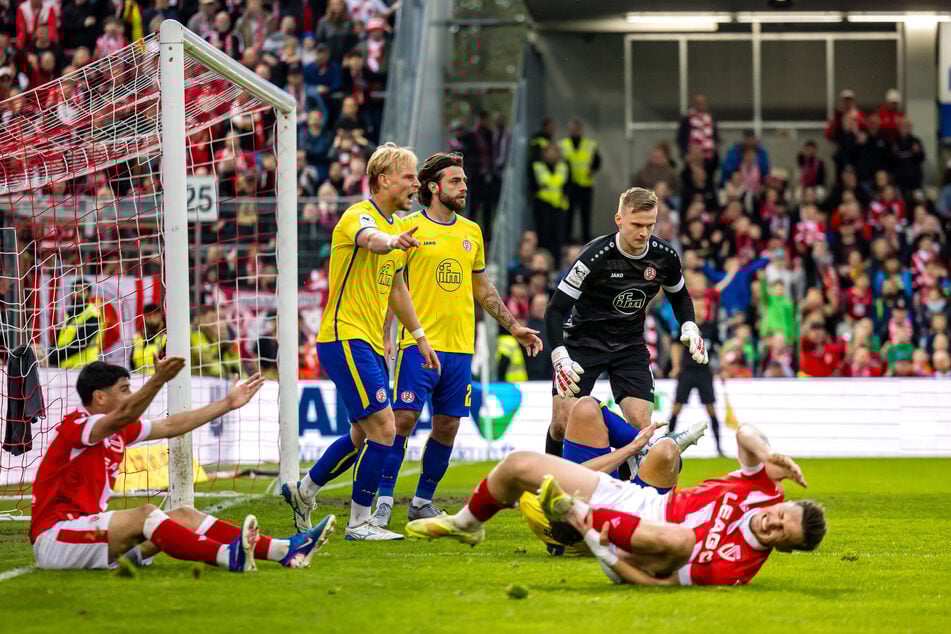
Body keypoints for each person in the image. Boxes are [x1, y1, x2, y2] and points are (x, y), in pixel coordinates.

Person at [406, 410, 825, 587]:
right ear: (781, 502)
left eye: (780, 534)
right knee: (519, 464)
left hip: (633, 550)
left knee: (681, 540)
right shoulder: (763, 491)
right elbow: (745, 433)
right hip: (637, 500)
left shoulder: (738, 569)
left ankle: (577, 521)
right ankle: (467, 524)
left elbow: (656, 582)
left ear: (783, 548)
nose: (772, 523)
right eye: (781, 515)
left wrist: (605, 555)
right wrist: (768, 453)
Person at [369, 152, 542, 529]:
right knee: (403, 419)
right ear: (433, 187)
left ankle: (421, 501)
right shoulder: (408, 229)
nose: (464, 187)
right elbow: (392, 288)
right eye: (456, 181)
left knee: (447, 426)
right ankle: (382, 500)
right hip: (418, 344)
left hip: (461, 347)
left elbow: (481, 286)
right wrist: (385, 337)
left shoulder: (471, 231)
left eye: (464, 181)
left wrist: (514, 326)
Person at [30, 360, 336, 572]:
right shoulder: (79, 423)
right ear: (99, 397)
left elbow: (171, 425)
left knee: (184, 514)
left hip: (91, 533)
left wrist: (226, 405)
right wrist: (158, 379)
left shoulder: (118, 430)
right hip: (57, 536)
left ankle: (284, 550)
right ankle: (227, 557)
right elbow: (122, 417)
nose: (131, 395)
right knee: (147, 513)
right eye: (124, 389)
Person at [282, 143, 440, 541]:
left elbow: (397, 290)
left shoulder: (396, 226)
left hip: (369, 342)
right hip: (344, 336)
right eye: (409, 177)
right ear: (384, 179)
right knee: (384, 429)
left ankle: (304, 493)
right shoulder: (360, 215)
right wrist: (391, 242)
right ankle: (359, 522)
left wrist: (418, 338)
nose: (415, 184)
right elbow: (370, 240)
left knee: (360, 434)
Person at [543, 187, 707, 460]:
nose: (644, 233)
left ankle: (627, 491)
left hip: (629, 346)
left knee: (641, 425)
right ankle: (549, 480)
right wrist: (560, 356)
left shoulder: (664, 256)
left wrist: (689, 325)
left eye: (650, 225)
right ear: (619, 220)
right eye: (637, 225)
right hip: (583, 344)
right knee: (561, 424)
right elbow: (555, 309)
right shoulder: (594, 257)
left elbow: (680, 297)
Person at [559, 117, 601, 243]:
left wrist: (592, 170)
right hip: (569, 186)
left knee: (585, 215)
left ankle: (586, 240)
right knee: (568, 215)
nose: (574, 131)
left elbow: (597, 161)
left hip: (585, 185)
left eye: (576, 129)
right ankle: (567, 239)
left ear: (581, 130)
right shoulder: (562, 145)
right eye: (571, 129)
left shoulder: (590, 145)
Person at [49, 279, 102, 369]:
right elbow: (58, 340)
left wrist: (52, 357)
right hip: (66, 368)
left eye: (82, 291)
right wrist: (50, 352)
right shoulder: (69, 314)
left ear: (89, 294)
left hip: (85, 368)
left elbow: (80, 343)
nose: (78, 294)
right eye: (75, 290)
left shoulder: (92, 314)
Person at [130, 303, 166, 374]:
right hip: (138, 380)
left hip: (159, 380)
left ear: (161, 316)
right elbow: (132, 363)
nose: (152, 318)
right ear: (144, 317)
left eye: (155, 315)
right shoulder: (137, 338)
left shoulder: (167, 338)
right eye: (149, 315)